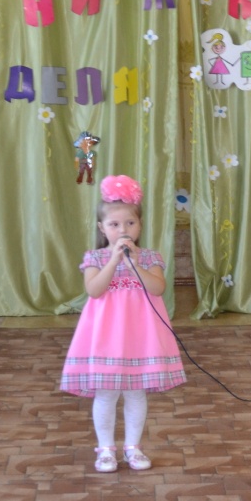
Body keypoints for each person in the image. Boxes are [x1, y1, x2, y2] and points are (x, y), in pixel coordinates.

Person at [60, 175, 187, 472]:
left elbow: (157, 288)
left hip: (139, 338)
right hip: (106, 338)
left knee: (135, 392)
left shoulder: (150, 257)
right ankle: (105, 449)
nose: (123, 230)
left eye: (130, 223)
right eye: (114, 224)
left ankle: (133, 447)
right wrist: (114, 262)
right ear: (102, 228)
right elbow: (94, 290)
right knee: (106, 393)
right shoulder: (95, 257)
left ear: (139, 225)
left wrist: (134, 264)